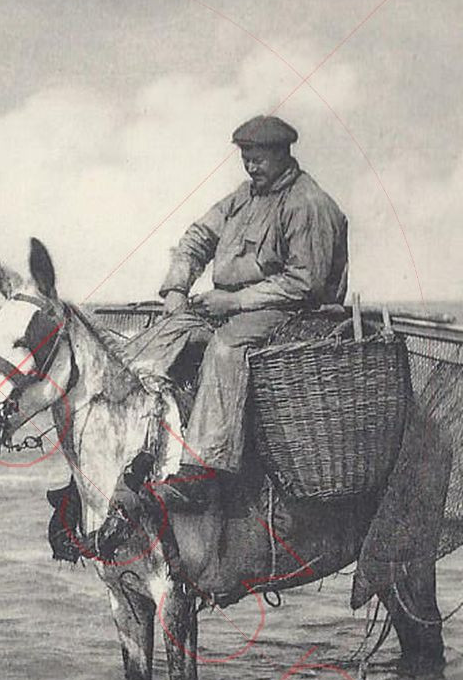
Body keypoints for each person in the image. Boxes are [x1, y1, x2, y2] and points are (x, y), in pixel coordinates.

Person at [130, 115, 349, 511]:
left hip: (294, 314)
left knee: (226, 349)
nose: (251, 167)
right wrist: (177, 287)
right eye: (246, 158)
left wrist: (233, 302)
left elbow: (306, 283)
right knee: (166, 334)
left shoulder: (308, 204)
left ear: (283, 154)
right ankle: (140, 450)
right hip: (231, 304)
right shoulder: (243, 196)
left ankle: (202, 472)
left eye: (258, 159)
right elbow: (198, 237)